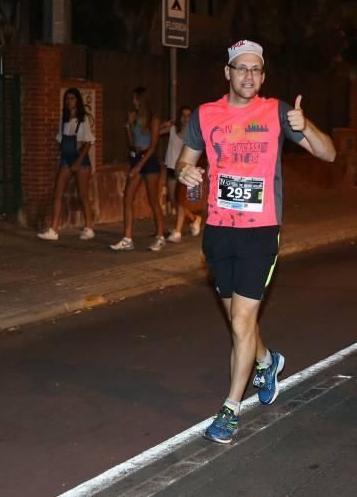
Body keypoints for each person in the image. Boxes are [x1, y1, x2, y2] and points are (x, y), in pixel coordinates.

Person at [177, 39, 336, 444]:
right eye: (241, 68)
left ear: (263, 76)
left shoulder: (277, 112)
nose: (248, 75)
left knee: (242, 322)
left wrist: (307, 126)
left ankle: (231, 408)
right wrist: (184, 173)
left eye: (256, 70)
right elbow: (185, 161)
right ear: (227, 72)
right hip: (218, 231)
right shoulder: (205, 115)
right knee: (238, 322)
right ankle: (267, 361)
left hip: (260, 233)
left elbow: (329, 154)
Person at [110, 86, 166, 252]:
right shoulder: (135, 118)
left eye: (135, 98)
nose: (133, 101)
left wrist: (139, 166)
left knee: (153, 199)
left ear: (141, 100)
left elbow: (154, 145)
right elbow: (131, 143)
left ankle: (160, 236)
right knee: (127, 197)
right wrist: (128, 125)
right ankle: (127, 239)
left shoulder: (153, 120)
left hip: (148, 160)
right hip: (136, 156)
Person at [37, 88, 96, 241]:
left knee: (83, 194)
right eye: (67, 98)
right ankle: (54, 230)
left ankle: (89, 227)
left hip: (80, 160)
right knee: (57, 192)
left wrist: (77, 162)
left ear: (77, 101)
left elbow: (88, 143)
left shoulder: (84, 119)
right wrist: (60, 157)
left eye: (72, 98)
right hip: (65, 159)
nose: (69, 101)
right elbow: (61, 140)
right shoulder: (63, 119)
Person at [162, 105, 202, 243]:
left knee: (180, 201)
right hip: (171, 168)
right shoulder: (173, 130)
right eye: (183, 115)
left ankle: (177, 231)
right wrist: (164, 125)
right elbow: (156, 133)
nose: (185, 118)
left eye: (188, 116)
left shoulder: (193, 134)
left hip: (184, 170)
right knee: (173, 200)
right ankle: (194, 218)